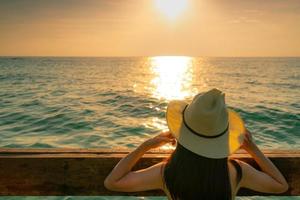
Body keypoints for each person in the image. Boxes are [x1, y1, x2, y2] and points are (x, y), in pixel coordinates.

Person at [104, 88, 288, 199]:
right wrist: (252, 148)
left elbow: (113, 182)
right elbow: (281, 185)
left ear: (183, 132)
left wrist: (146, 146)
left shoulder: (167, 173)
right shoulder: (236, 171)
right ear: (222, 135)